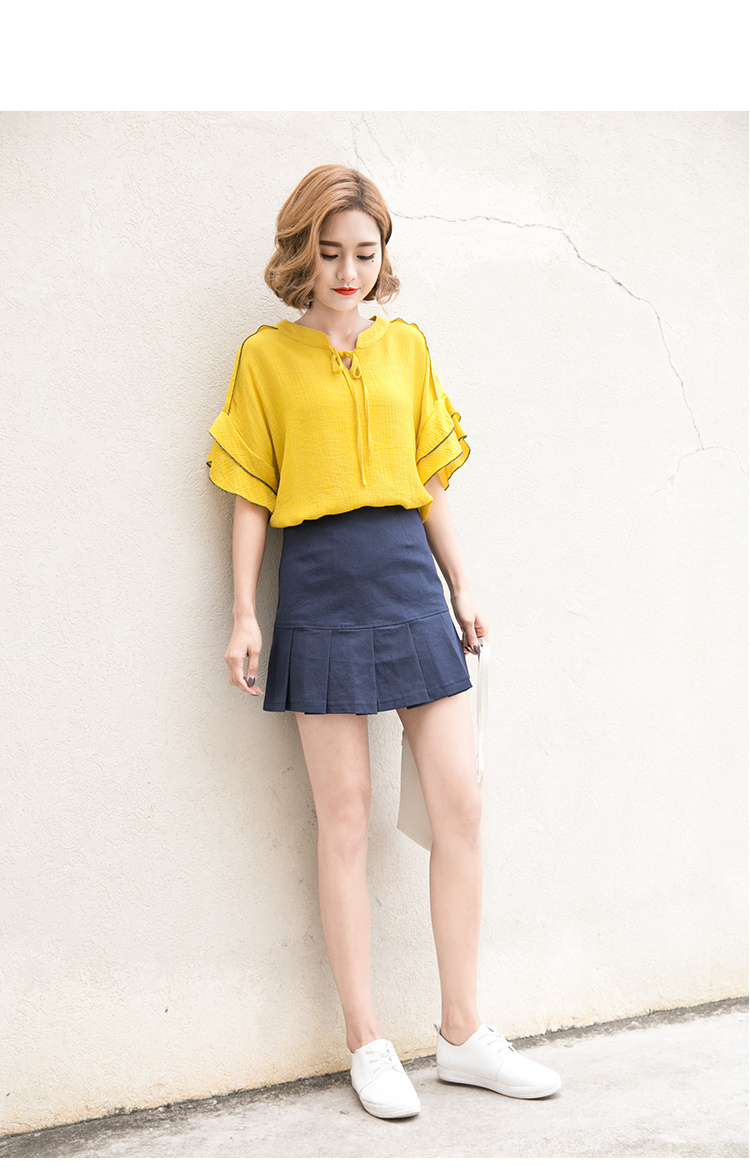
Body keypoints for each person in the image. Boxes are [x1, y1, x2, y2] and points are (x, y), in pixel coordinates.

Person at [207, 164, 561, 1119]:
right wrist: (243, 611)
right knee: (347, 819)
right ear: (301, 253)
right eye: (330, 254)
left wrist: (462, 584)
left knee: (460, 802)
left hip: (408, 578)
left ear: (383, 255)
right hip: (319, 585)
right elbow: (249, 492)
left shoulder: (406, 347)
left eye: (365, 253)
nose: (349, 272)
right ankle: (366, 1040)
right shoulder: (265, 358)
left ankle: (463, 1033)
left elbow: (430, 482)